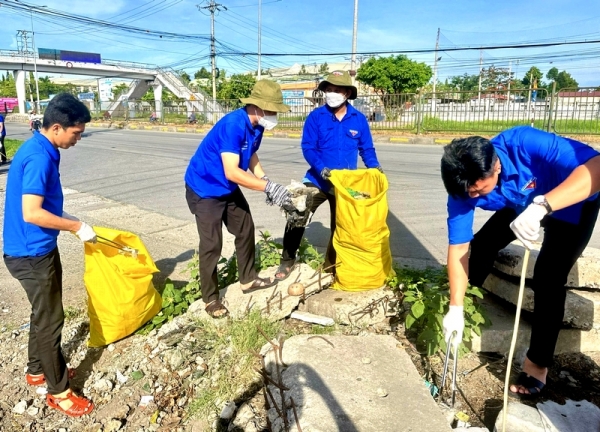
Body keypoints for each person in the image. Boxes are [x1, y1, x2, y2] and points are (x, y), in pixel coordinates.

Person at [439, 126, 600, 397]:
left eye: (479, 191)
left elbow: (597, 168)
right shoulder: (463, 190)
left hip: (573, 198)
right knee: (482, 245)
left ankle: (537, 365)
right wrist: (455, 307)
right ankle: (467, 305)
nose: (473, 199)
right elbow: (459, 249)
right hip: (522, 204)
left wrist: (543, 207)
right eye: (469, 194)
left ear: (496, 167)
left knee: (548, 277)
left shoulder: (525, 142)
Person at [3, 93, 97, 417]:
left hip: (34, 248)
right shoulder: (40, 156)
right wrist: (76, 225)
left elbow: (43, 204)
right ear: (57, 127)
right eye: (76, 132)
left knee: (41, 313)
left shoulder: (42, 147)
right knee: (52, 320)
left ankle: (36, 370)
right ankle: (59, 391)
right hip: (30, 254)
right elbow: (32, 212)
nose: (79, 138)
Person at [184, 79, 292, 319]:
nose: (275, 115)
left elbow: (251, 153)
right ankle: (210, 299)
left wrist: (265, 181)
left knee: (245, 229)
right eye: (272, 110)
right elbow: (232, 171)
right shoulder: (233, 125)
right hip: (205, 189)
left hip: (227, 188)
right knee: (212, 245)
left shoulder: (257, 126)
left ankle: (248, 279)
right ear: (257, 106)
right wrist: (268, 188)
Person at [274, 70, 383, 281]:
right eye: (329, 90)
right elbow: (308, 148)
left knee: (341, 226)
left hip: (345, 184)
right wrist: (321, 167)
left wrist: (375, 168)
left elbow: (367, 149)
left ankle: (330, 267)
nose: (331, 94)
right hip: (317, 179)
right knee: (298, 212)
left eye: (336, 90)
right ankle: (287, 261)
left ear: (347, 93)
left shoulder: (358, 120)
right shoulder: (316, 117)